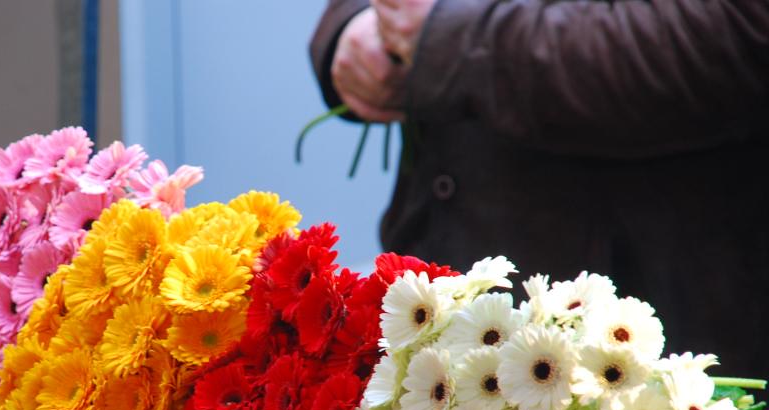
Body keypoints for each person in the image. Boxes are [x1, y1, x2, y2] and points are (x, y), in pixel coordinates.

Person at [310, 0, 769, 379]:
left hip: (658, 334)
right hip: (441, 303)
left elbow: (737, 31)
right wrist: (355, 26)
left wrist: (453, 40)